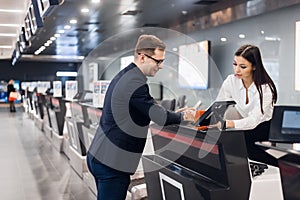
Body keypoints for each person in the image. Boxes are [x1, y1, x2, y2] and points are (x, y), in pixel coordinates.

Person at [87, 34, 195, 200]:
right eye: (158, 61)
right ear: (143, 57)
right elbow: (160, 117)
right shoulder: (134, 82)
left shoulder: (128, 75)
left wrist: (176, 114)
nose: (161, 66)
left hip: (102, 156)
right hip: (112, 163)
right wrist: (184, 116)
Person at [216, 44, 278, 166]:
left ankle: (280, 168)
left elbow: (255, 120)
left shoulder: (266, 89)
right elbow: (219, 105)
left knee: (239, 140)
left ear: (254, 66)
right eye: (235, 64)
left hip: (265, 127)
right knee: (225, 138)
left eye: (243, 66)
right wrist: (207, 118)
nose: (236, 70)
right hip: (246, 125)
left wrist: (229, 124)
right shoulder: (231, 81)